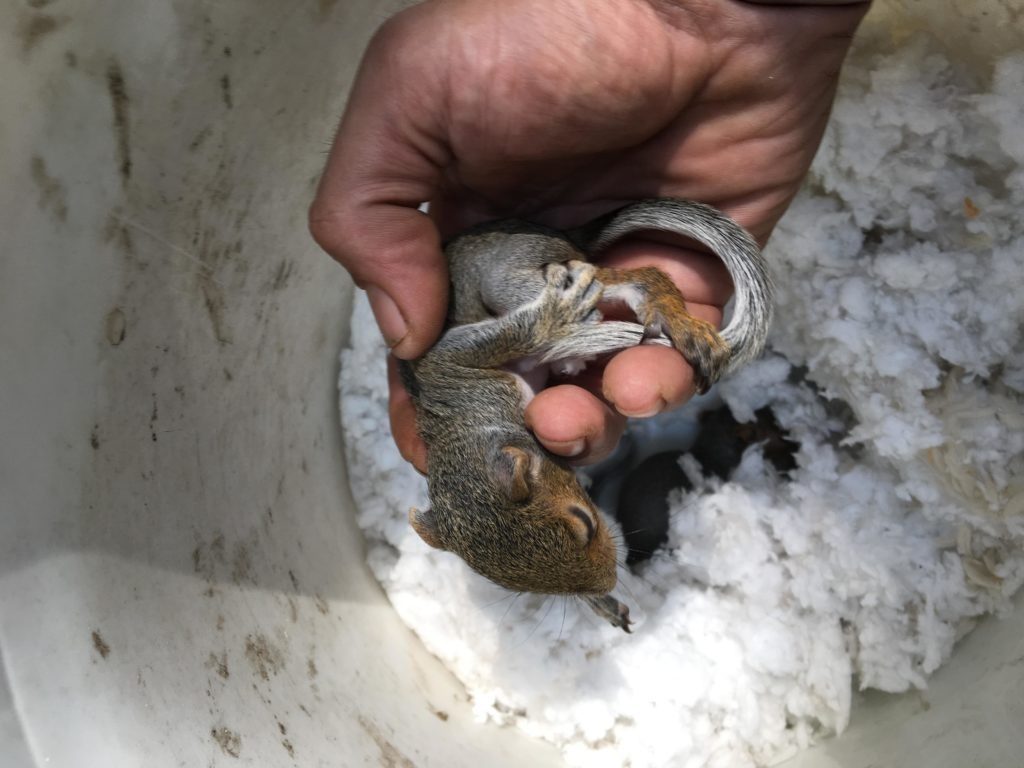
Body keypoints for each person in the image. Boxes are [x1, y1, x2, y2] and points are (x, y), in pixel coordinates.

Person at [310, 0, 872, 473]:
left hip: (501, 266)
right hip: (538, 289)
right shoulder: (507, 418)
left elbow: (478, 346)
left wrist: (568, 335)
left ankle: (638, 293)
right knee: (583, 401)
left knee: (522, 299)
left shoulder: (451, 392)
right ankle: (636, 302)